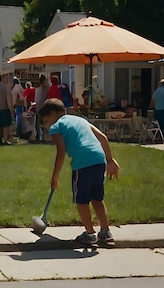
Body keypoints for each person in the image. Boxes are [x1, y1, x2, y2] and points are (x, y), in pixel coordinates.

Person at [38, 98, 120, 246]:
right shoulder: (81, 120)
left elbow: (61, 153)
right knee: (97, 198)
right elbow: (103, 137)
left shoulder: (56, 127)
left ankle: (90, 234)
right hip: (99, 159)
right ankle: (105, 232)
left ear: (52, 114)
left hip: (82, 164)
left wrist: (55, 175)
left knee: (81, 201)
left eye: (46, 120)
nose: (47, 125)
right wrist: (110, 159)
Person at [34, 75, 50, 141]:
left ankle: (38, 136)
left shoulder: (37, 90)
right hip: (44, 108)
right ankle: (43, 136)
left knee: (38, 123)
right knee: (44, 123)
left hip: (38, 108)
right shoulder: (47, 89)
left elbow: (36, 100)